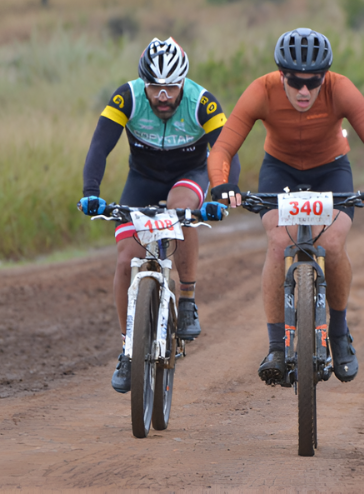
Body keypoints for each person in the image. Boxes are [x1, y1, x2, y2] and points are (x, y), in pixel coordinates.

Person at [207, 28, 364, 385]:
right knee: (278, 243)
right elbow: (223, 149)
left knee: (333, 243)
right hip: (280, 171)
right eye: (295, 82)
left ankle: (338, 334)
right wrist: (222, 185)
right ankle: (277, 346)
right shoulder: (261, 91)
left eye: (314, 82)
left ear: (325, 76)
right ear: (281, 75)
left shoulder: (341, 88)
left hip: (331, 171)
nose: (304, 91)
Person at [79, 37, 240, 393]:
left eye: (171, 87)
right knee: (125, 262)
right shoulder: (128, 97)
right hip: (142, 180)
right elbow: (99, 147)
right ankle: (127, 350)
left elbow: (226, 149)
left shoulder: (202, 101)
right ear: (144, 84)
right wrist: (91, 193)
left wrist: (223, 192)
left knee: (181, 209)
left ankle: (187, 299)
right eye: (155, 87)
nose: (163, 96)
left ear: (183, 82)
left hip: (190, 176)